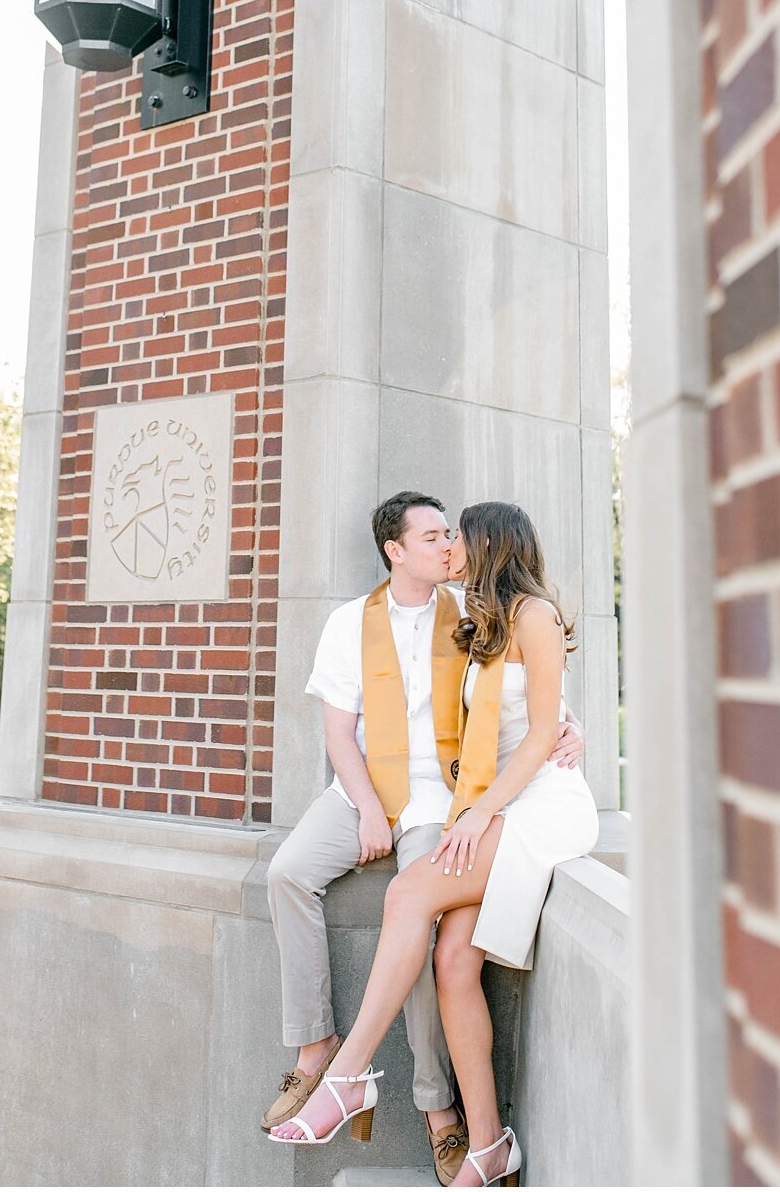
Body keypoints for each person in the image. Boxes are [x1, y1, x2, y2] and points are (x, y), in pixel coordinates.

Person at [269, 501, 599, 1188]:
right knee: (453, 959)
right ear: (395, 549)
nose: (449, 546)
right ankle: (488, 1145)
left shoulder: (521, 614)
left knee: (410, 891)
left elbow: (543, 721)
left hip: (528, 807)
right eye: (436, 536)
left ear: (487, 547)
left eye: (457, 537)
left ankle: (349, 1075)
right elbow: (520, 706)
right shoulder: (478, 616)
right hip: (489, 799)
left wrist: (558, 743)